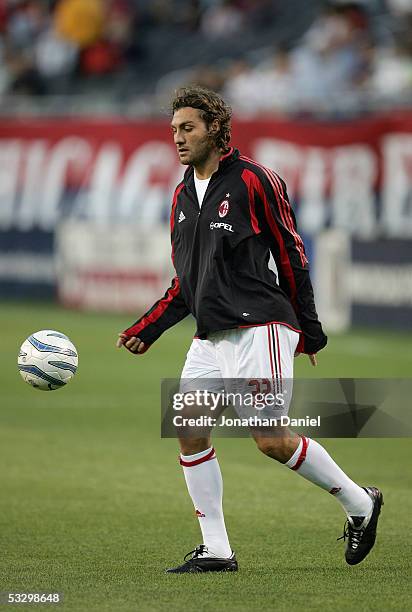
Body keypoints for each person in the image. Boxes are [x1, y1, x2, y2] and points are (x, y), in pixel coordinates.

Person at [116, 86, 383, 573]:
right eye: (173, 129)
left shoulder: (256, 180)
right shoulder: (180, 194)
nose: (176, 138)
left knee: (271, 441)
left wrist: (309, 328)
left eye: (187, 128)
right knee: (189, 428)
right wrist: (149, 328)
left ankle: (360, 504)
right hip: (210, 336)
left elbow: (292, 253)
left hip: (260, 326)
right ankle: (217, 549)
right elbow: (188, 281)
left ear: (215, 129)